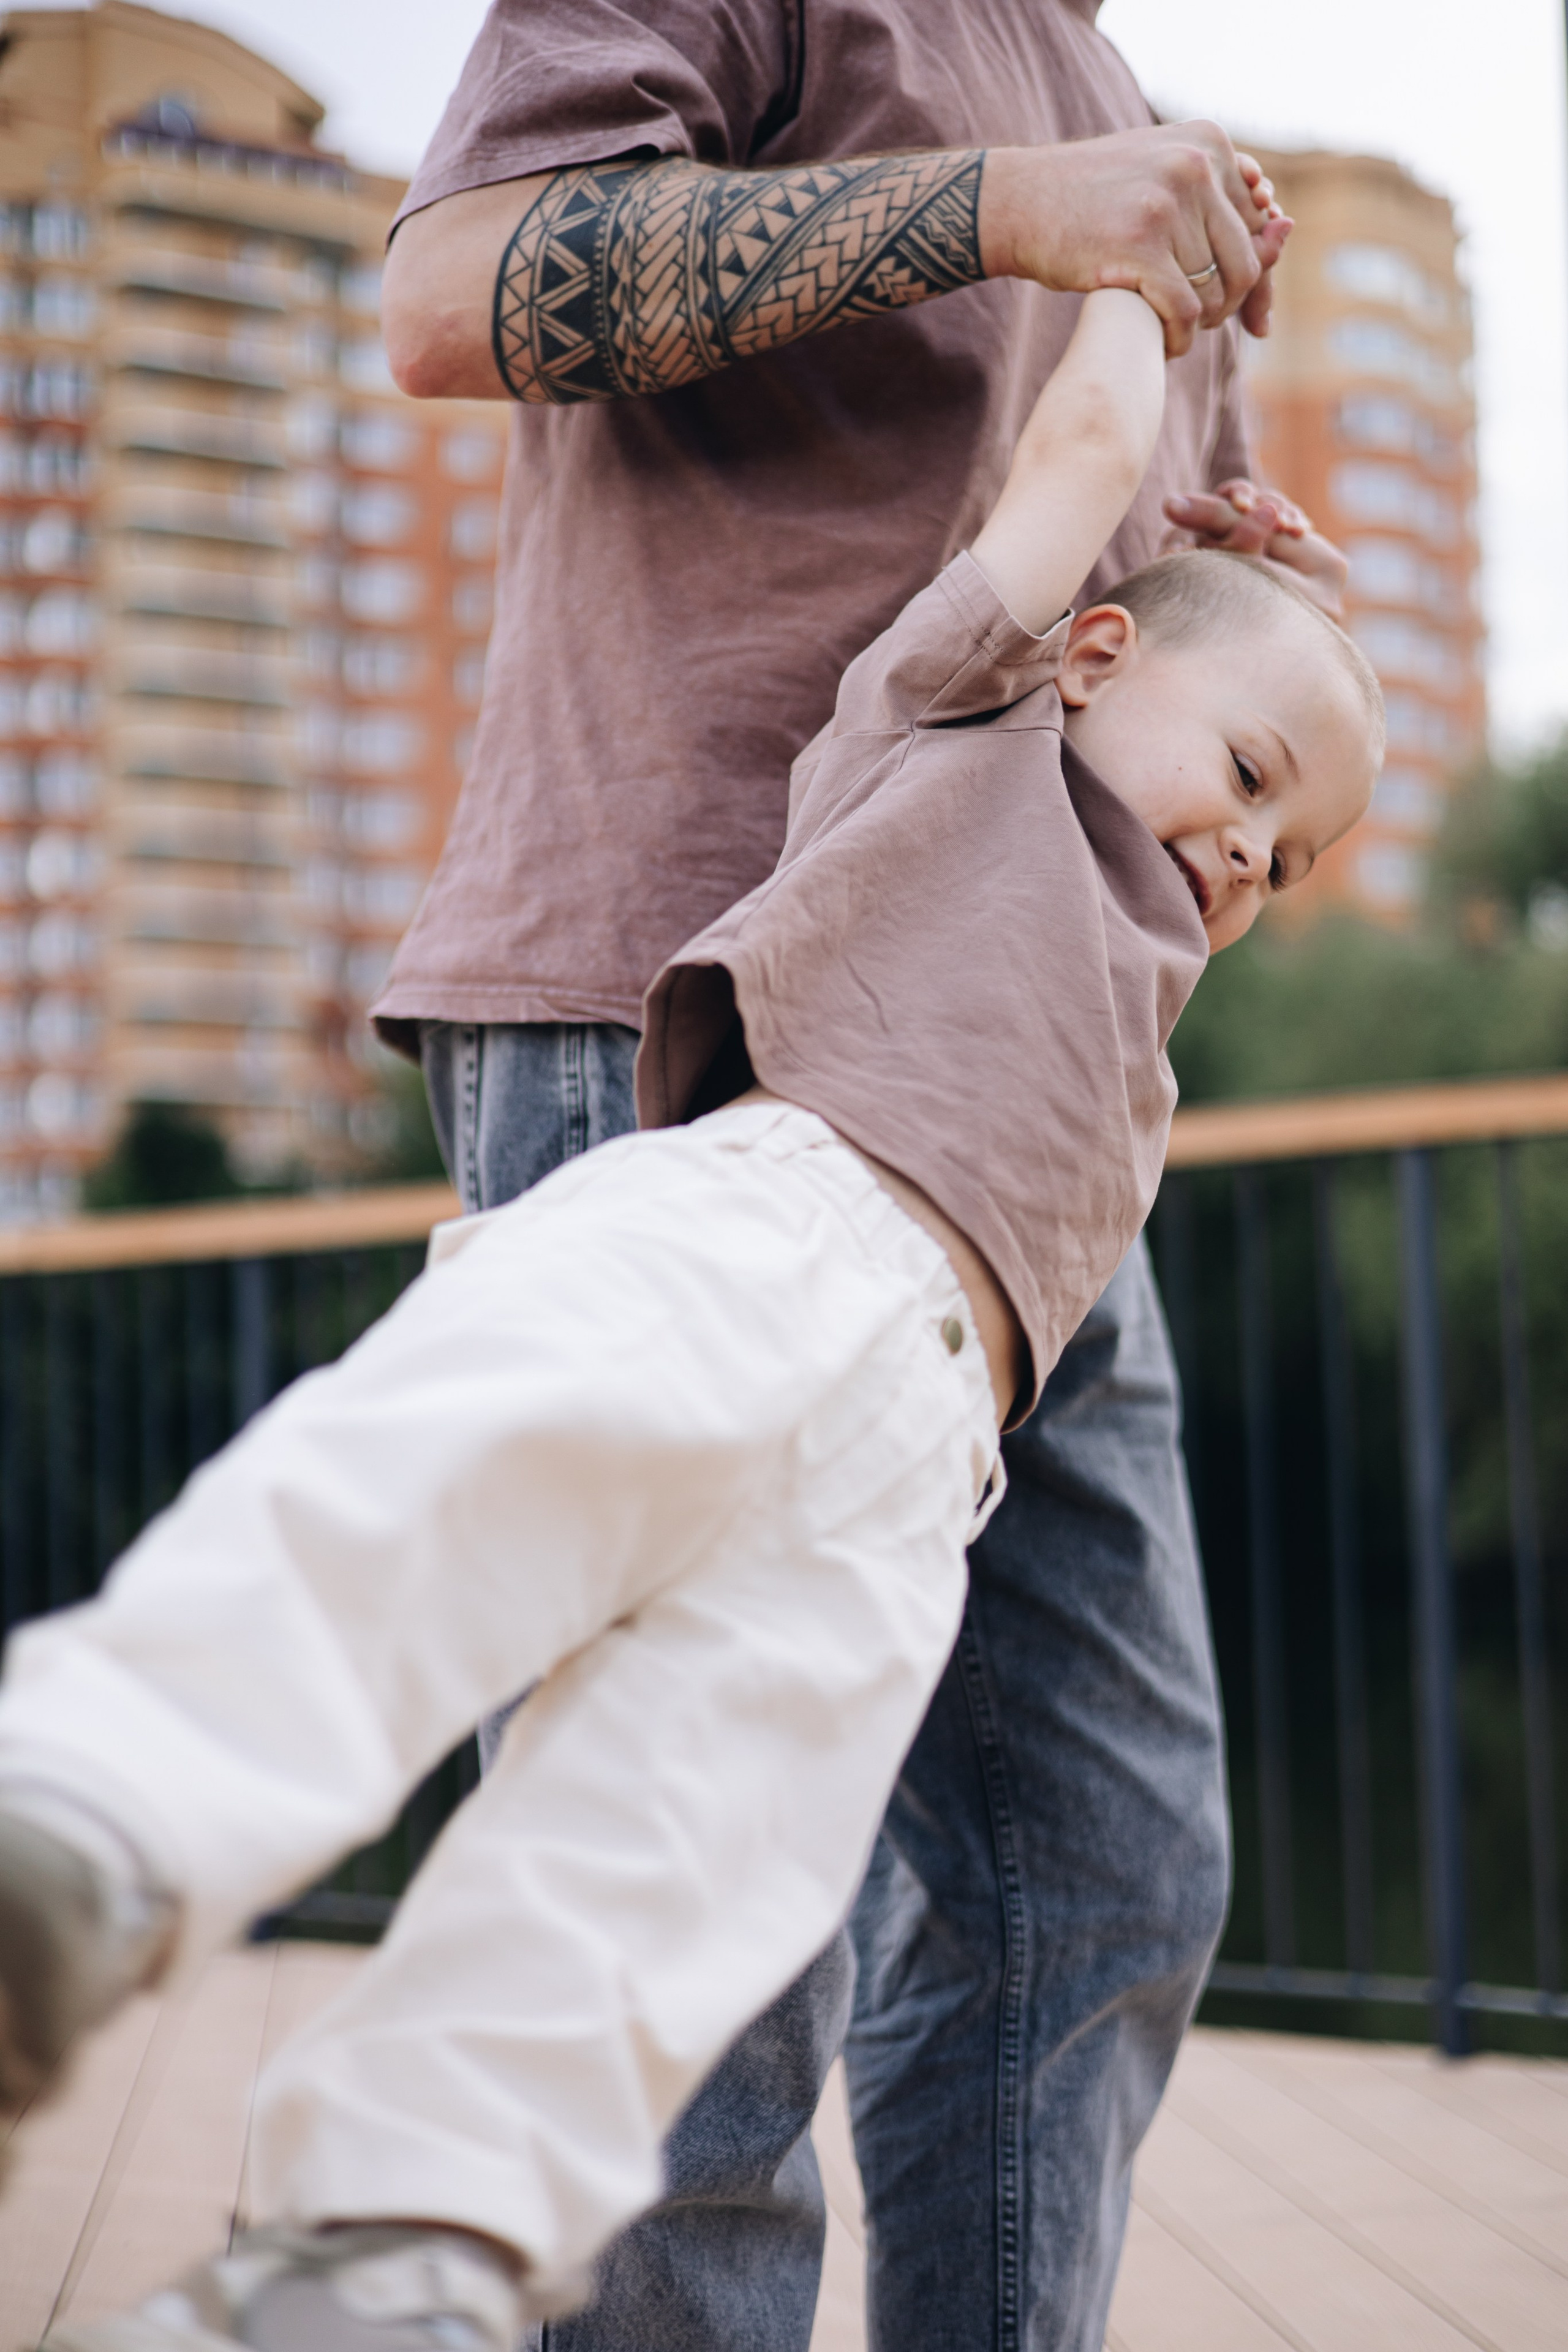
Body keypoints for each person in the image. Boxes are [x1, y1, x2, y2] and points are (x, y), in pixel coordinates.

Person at [0, 278, 1381, 2352]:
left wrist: (1275, 604)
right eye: (1251, 773)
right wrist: (1128, 278)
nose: (1250, 850)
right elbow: (1087, 455)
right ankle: (86, 1825)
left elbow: (1224, 632)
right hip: (758, 1227)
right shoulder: (966, 727)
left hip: (920, 1467)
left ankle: (402, 2239)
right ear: (1091, 654)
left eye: (1290, 852)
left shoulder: (1143, 998)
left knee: (683, 1854)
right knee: (441, 1487)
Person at [369, 10, 1351, 2349]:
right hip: (680, 1003)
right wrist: (1009, 211)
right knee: (693, 1921)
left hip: (1023, 1119)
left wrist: (1249, 587)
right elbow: (450, 293)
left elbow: (1131, 575)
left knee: (1102, 1861)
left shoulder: (1144, 120)